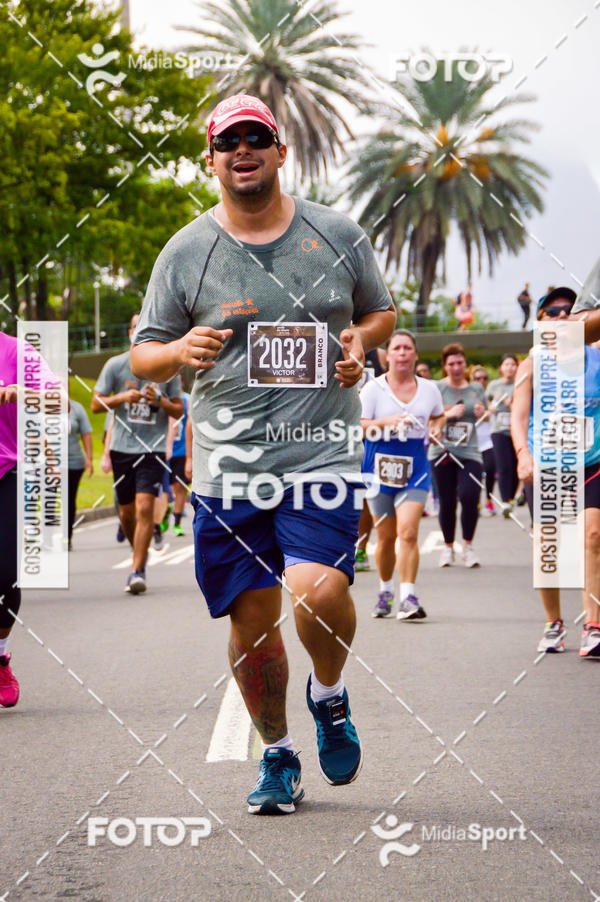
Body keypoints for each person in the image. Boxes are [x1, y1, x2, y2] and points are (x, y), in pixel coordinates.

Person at [129, 94, 396, 815]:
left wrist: (359, 343)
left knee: (321, 591)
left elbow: (381, 310)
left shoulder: (335, 233)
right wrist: (180, 350)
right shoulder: (186, 251)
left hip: (320, 459)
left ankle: (330, 698)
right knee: (252, 629)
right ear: (212, 160)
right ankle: (277, 754)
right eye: (228, 142)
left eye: (258, 138)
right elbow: (144, 352)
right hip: (230, 468)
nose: (242, 150)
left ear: (280, 152)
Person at [512, 287, 600, 656]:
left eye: (570, 310)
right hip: (546, 465)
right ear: (542, 319)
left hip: (590, 463)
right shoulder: (531, 364)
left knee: (592, 537)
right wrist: (523, 456)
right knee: (550, 545)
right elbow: (518, 416)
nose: (562, 316)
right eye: (554, 311)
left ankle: (593, 626)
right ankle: (554, 623)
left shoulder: (596, 359)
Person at [92, 313, 183, 594]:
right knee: (127, 513)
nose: (139, 332)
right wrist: (121, 398)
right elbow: (96, 404)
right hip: (122, 448)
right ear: (130, 332)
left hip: (152, 449)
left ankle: (137, 570)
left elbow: (179, 410)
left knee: (145, 507)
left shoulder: (168, 369)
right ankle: (138, 553)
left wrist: (161, 401)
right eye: (135, 327)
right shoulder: (115, 365)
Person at [360, 330, 444, 618]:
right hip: (378, 466)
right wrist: (387, 422)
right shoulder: (373, 389)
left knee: (407, 532)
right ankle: (385, 590)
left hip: (415, 466)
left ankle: (409, 596)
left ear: (415, 354)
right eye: (397, 348)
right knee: (384, 537)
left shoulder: (430, 389)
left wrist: (437, 428)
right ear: (388, 356)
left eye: (408, 348)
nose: (403, 353)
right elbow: (358, 425)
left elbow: (438, 415)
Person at [430, 343, 487, 567]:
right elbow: (428, 418)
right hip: (442, 451)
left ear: (465, 364)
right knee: (447, 501)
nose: (456, 367)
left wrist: (483, 413)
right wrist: (449, 412)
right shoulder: (436, 388)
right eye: (451, 364)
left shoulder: (476, 388)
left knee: (470, 495)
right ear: (445, 366)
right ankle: (448, 548)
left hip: (470, 451)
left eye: (460, 363)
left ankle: (468, 546)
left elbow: (485, 415)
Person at [355, 347, 388, 572]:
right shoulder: (331, 343)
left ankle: (361, 548)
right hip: (335, 428)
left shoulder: (380, 354)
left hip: (369, 432)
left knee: (365, 494)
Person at [487, 354, 519, 516]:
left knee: (514, 467)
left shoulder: (519, 385)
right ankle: (505, 501)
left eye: (513, 364)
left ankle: (511, 498)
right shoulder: (494, 385)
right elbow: (485, 402)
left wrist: (512, 404)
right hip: (498, 430)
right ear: (501, 367)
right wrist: (490, 407)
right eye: (507, 364)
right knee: (503, 466)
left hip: (515, 430)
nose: (510, 367)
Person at [67, 397, 94, 550]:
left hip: (73, 462)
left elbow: (86, 433)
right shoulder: (42, 404)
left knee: (69, 500)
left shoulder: (76, 408)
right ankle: (47, 539)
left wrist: (89, 459)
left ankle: (67, 538)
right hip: (49, 464)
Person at [469, 365, 496, 517]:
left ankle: (489, 500)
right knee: (476, 473)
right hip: (473, 442)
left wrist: (486, 413)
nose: (481, 381)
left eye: (484, 378)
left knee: (491, 470)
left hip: (489, 441)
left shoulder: (489, 397)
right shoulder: (468, 396)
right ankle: (477, 502)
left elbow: (490, 416)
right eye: (477, 378)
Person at [167, 376, 191, 536]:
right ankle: (163, 512)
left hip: (181, 450)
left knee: (180, 487)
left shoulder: (187, 399)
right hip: (163, 450)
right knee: (164, 489)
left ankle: (176, 523)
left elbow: (191, 424)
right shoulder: (162, 400)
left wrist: (190, 455)